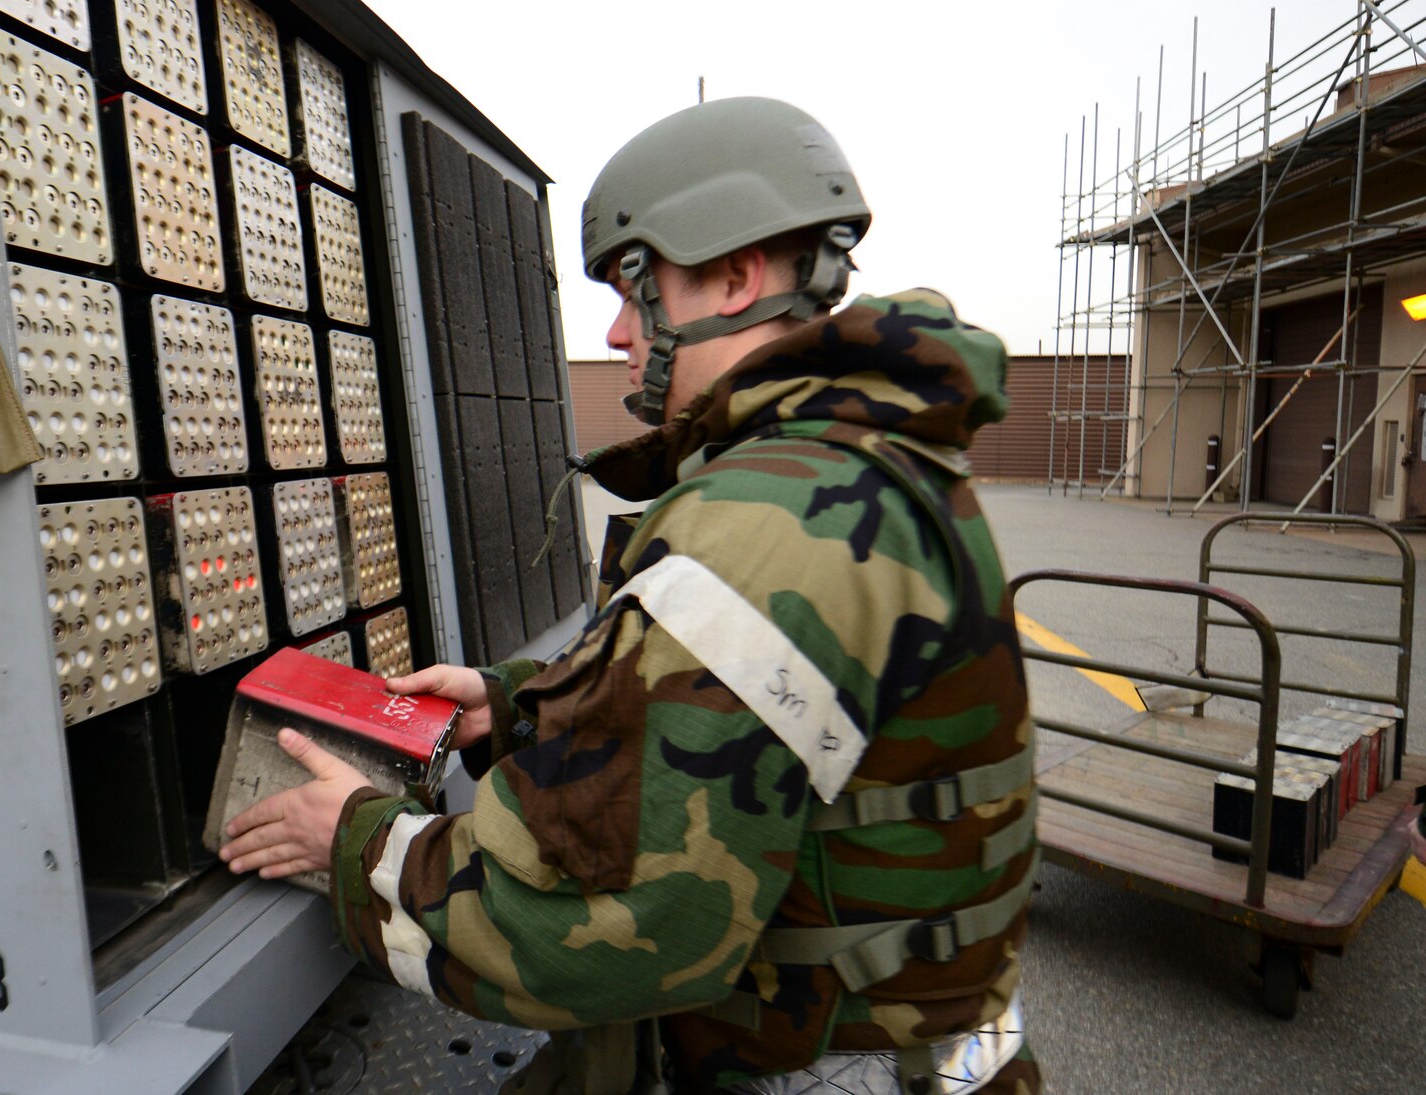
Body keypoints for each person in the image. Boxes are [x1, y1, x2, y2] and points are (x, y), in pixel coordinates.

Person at [220, 97, 1040, 1095]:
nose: (613, 333)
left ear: (734, 276)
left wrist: (351, 838)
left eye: (630, 289)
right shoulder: (862, 462)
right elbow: (758, 720)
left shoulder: (764, 520)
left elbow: (590, 934)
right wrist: (517, 705)